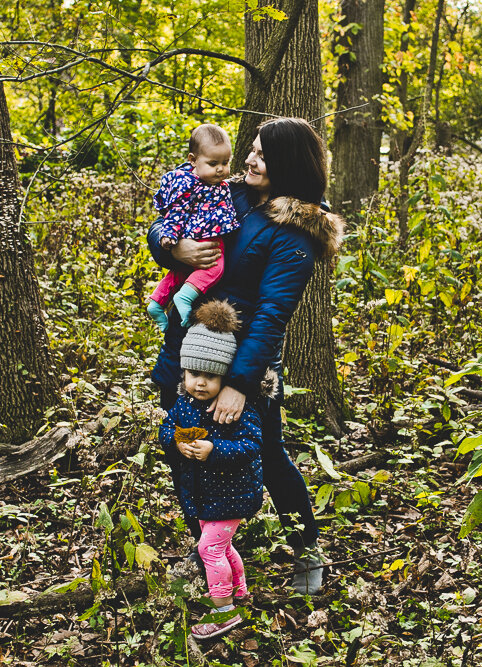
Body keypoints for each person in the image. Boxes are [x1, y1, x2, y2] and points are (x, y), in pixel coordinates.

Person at [149, 117, 343, 595]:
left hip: (242, 367)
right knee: (184, 448)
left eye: (262, 154)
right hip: (187, 351)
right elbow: (164, 219)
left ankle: (307, 549)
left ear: (288, 165)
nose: (250, 160)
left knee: (269, 456)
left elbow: (272, 317)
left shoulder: (295, 232)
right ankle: (211, 552)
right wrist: (174, 245)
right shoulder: (225, 191)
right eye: (251, 150)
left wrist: (238, 384)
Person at [159, 300, 265, 639]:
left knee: (209, 549)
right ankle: (240, 591)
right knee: (224, 547)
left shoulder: (238, 410)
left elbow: (251, 446)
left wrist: (215, 450)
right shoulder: (183, 403)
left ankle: (224, 613)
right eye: (194, 374)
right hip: (203, 494)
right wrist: (175, 442)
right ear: (184, 372)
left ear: (226, 376)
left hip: (233, 493)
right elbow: (166, 428)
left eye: (211, 376)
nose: (201, 383)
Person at [147, 124, 240, 331]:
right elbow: (175, 213)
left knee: (180, 273)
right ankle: (184, 297)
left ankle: (156, 302)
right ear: (192, 160)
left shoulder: (217, 184)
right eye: (213, 163)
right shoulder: (189, 185)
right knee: (215, 267)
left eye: (226, 162)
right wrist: (169, 238)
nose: (220, 169)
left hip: (198, 235)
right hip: (205, 236)